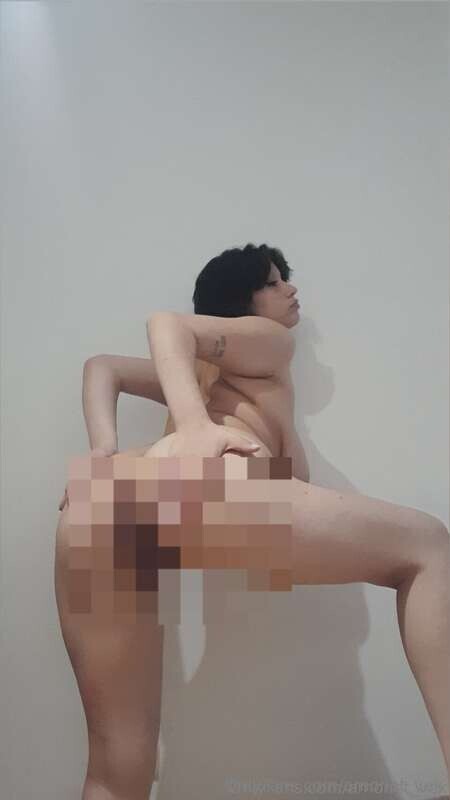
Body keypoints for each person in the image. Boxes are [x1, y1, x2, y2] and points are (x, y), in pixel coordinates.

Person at [55, 242, 450, 800]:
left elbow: (101, 367)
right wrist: (196, 429)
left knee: (118, 764)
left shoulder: (205, 376)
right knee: (428, 544)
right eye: (271, 282)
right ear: (240, 302)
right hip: (196, 489)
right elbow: (166, 323)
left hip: (97, 503)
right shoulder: (270, 341)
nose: (290, 289)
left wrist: (101, 453)